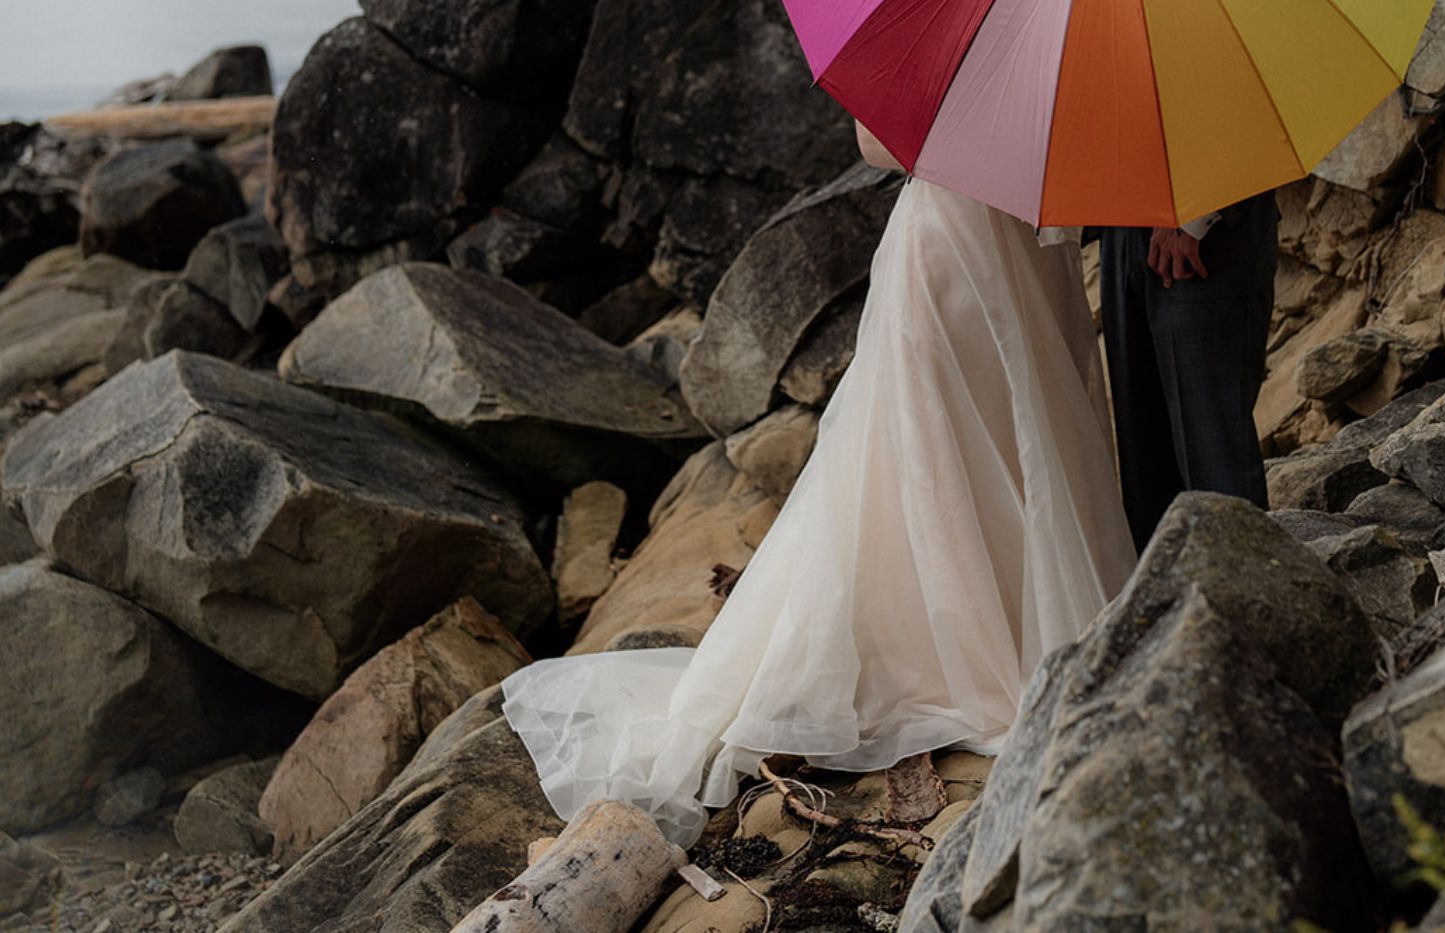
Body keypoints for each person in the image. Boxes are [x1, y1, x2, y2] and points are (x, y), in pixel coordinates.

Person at [500, 123, 1137, 847]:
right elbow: (886, 143)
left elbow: (917, 144)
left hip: (1004, 244)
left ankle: (1005, 616)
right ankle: (982, 631)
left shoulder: (989, 26)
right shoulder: (996, 31)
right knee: (943, 442)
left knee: (1001, 435)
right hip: (966, 243)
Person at [1100, 194, 1280, 551]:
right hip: (1119, 227)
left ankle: (1250, 591)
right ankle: (1169, 598)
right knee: (1143, 458)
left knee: (1212, 448)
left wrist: (1194, 214)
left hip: (1205, 229)